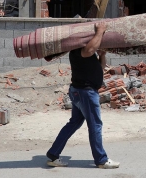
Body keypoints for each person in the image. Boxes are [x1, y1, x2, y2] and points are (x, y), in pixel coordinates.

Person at [46, 21, 120, 169]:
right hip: (85, 93)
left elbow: (100, 67)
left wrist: (102, 55)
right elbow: (89, 50)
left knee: (74, 123)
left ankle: (53, 155)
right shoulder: (78, 51)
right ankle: (101, 160)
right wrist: (100, 31)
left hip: (79, 92)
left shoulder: (84, 51)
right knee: (95, 125)